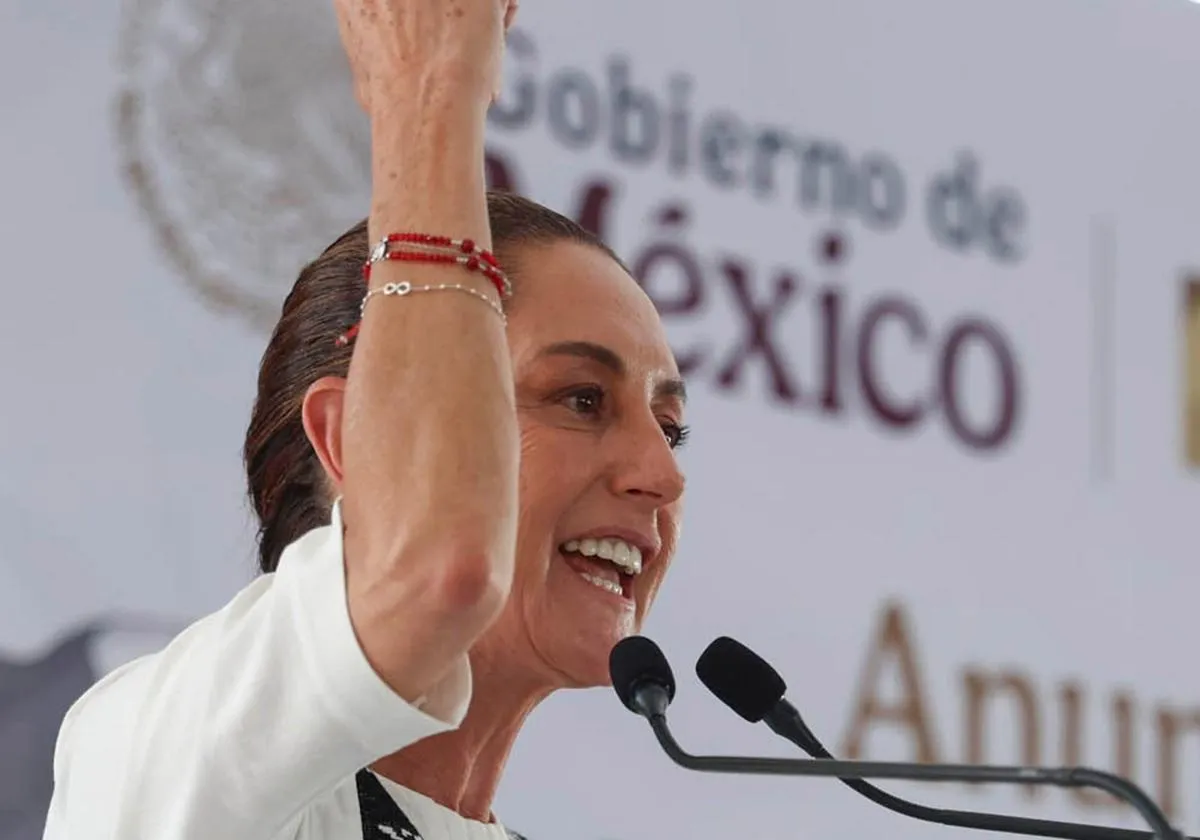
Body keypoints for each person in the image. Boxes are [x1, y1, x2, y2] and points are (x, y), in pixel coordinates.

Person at [41, 0, 689, 837]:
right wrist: (430, 92)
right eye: (580, 399)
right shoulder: (160, 746)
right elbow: (439, 572)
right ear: (350, 440)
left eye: (669, 428)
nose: (662, 474)